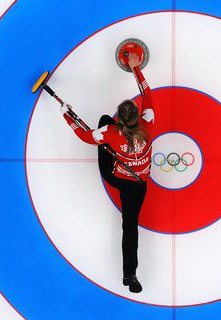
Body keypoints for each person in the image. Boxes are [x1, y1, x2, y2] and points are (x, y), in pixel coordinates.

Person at [59, 53, 154, 293]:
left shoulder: (111, 133)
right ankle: (130, 275)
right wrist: (135, 68)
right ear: (137, 116)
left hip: (117, 177)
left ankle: (129, 272)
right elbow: (147, 94)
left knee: (101, 123)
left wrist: (66, 113)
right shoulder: (149, 124)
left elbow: (84, 136)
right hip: (139, 183)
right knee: (130, 227)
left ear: (120, 121)